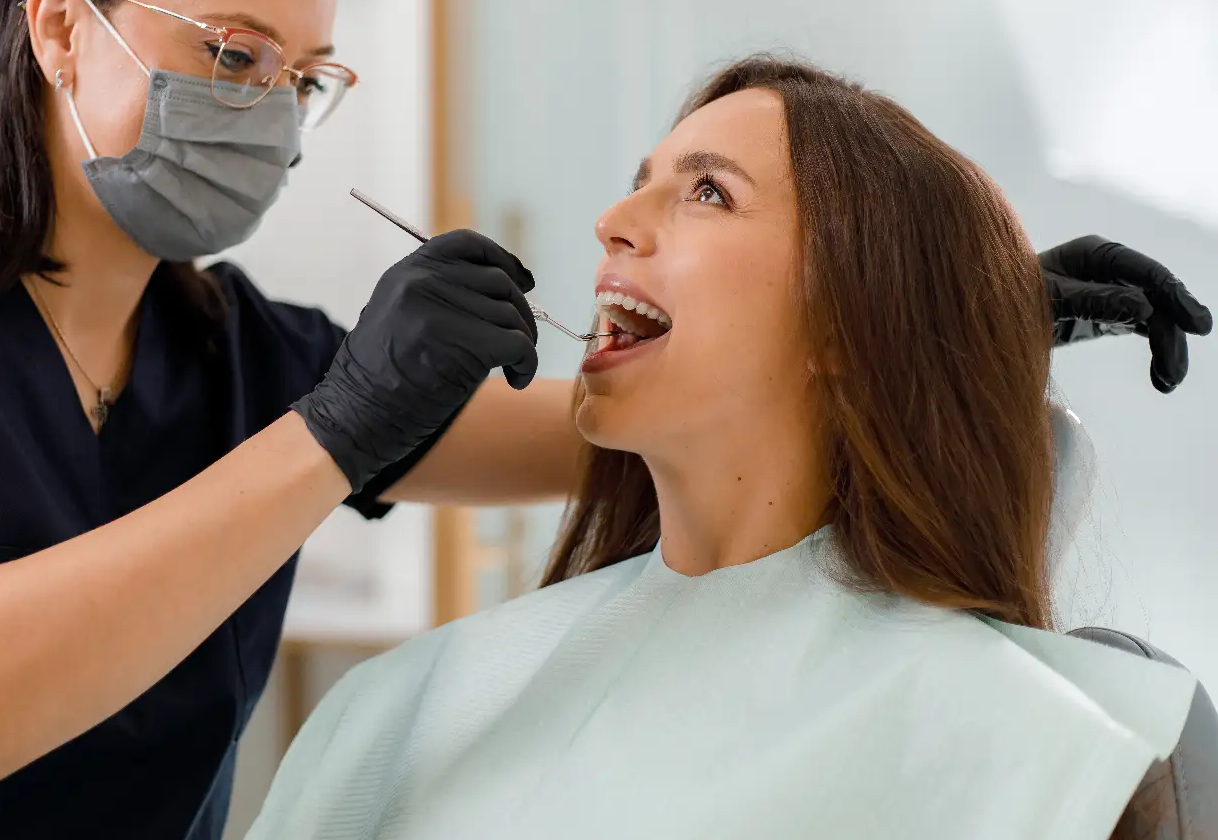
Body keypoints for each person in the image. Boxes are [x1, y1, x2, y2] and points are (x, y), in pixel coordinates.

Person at [0, 0, 1208, 840]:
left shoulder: (240, 356)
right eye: (232, 48)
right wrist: (338, 428)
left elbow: (648, 409)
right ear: (62, 26)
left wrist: (953, 312)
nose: (271, 106)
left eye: (302, 71)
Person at [243, 58, 1202, 840]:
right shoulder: (399, 715)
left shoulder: (1039, 746)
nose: (611, 222)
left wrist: (956, 336)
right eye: (637, 185)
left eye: (706, 191)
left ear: (855, 315)